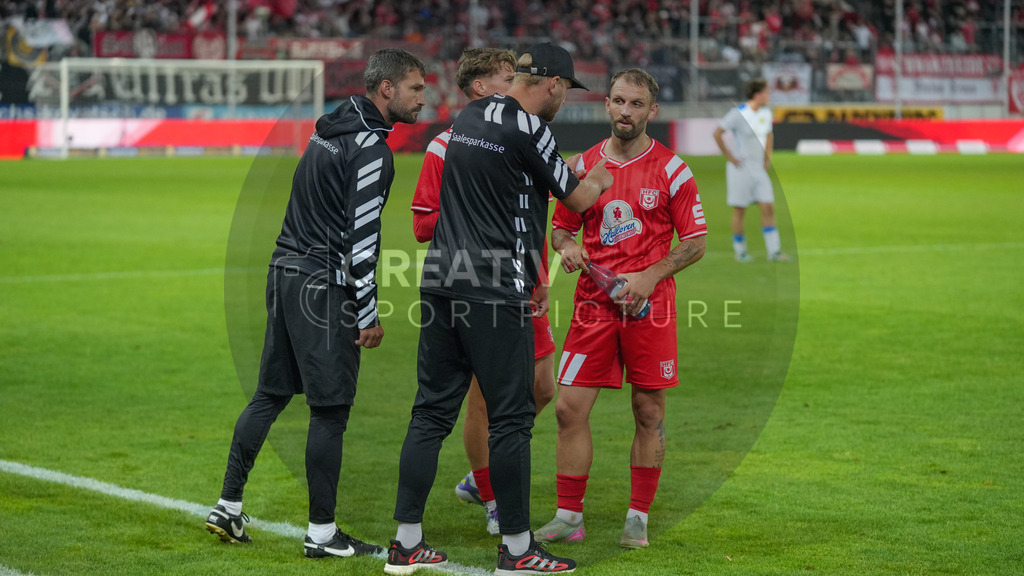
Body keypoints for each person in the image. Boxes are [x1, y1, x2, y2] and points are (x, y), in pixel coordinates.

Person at [387, 43, 614, 575]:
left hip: (443, 282)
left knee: (429, 414)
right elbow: (579, 201)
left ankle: (405, 543)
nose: (563, 101)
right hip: (493, 291)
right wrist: (599, 178)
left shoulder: (466, 116)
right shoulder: (529, 126)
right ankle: (517, 549)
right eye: (565, 90)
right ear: (553, 84)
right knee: (511, 421)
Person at [204, 48, 426, 559]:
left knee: (270, 394)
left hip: (285, 271)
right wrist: (368, 314)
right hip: (323, 287)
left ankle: (228, 504)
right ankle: (322, 535)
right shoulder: (372, 149)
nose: (423, 98)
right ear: (387, 89)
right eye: (415, 88)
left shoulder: (328, 128)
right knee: (330, 411)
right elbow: (362, 241)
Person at [535, 68, 707, 549]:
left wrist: (649, 276)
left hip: (650, 307)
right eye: (618, 102)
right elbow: (561, 228)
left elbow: (695, 242)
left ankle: (638, 517)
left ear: (652, 111)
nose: (625, 112)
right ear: (606, 105)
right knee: (569, 409)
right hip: (593, 307)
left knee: (647, 409)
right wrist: (566, 245)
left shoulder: (673, 170)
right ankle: (569, 517)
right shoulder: (584, 166)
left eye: (636, 104)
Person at [409, 47, 557, 537]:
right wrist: (468, 213)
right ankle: (493, 498)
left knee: (542, 389)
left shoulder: (521, 138)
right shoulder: (445, 146)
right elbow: (422, 223)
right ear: (480, 90)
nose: (514, 87)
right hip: (476, 285)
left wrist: (540, 279)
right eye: (506, 78)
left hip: (521, 282)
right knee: (487, 401)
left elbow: (529, 215)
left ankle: (480, 479)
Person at [713, 78, 789, 262]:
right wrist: (730, 157)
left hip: (758, 169)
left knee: (768, 207)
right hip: (741, 169)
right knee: (740, 210)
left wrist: (767, 158)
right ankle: (740, 252)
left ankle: (774, 252)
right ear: (757, 94)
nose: (769, 95)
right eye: (767, 92)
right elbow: (717, 133)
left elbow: (769, 134)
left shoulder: (765, 113)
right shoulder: (739, 113)